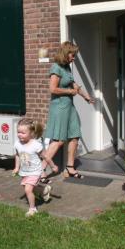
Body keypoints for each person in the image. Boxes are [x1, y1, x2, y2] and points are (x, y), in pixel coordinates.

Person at [41, 41, 95, 183]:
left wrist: (86, 96)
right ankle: (41, 170)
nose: (74, 58)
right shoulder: (56, 68)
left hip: (69, 107)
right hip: (59, 107)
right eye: (73, 54)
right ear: (66, 53)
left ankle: (70, 167)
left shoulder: (67, 68)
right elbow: (53, 89)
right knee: (58, 140)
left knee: (74, 135)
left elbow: (74, 85)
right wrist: (70, 91)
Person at [12, 118, 53, 217]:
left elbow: (45, 156)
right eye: (18, 132)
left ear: (31, 133)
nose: (19, 135)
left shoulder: (36, 145)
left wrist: (53, 166)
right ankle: (44, 190)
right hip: (24, 171)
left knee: (28, 190)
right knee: (26, 186)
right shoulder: (17, 144)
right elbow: (17, 155)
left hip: (35, 171)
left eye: (23, 133)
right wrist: (16, 167)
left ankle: (32, 209)